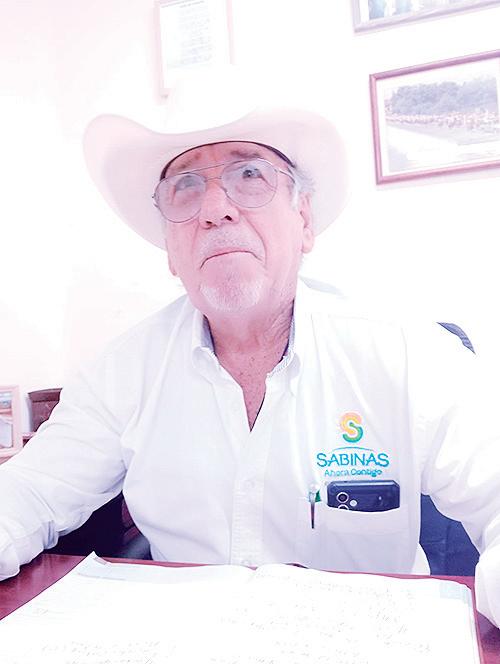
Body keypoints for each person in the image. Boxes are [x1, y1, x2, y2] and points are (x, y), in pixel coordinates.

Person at [0, 68, 499, 627]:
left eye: (250, 174)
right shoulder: (120, 373)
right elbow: (27, 496)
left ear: (303, 220)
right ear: (170, 248)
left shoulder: (408, 353)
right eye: (186, 186)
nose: (215, 208)